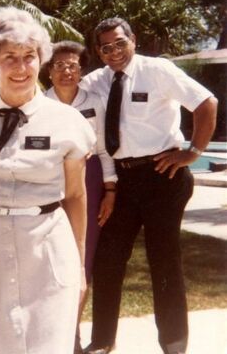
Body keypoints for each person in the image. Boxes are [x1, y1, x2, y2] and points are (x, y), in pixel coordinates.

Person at [0, 7, 96, 354]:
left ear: (41, 60)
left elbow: (76, 196)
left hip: (47, 244)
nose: (20, 68)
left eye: (28, 57)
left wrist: (79, 266)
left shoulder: (67, 121)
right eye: (9, 58)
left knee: (47, 343)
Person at [80, 18, 218, 354]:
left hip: (163, 175)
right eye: (105, 47)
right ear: (99, 50)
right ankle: (102, 342)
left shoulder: (157, 70)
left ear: (133, 40)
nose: (113, 52)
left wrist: (194, 152)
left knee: (164, 261)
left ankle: (173, 345)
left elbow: (206, 103)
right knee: (108, 259)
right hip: (121, 181)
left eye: (119, 43)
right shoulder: (95, 81)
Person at [43, 41, 117, 354]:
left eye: (72, 65)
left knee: (80, 260)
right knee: (48, 262)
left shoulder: (94, 101)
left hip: (89, 181)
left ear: (81, 71)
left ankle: (70, 337)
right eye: (59, 65)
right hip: (47, 182)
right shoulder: (37, 102)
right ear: (49, 71)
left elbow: (102, 150)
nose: (66, 71)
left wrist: (110, 189)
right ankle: (50, 336)